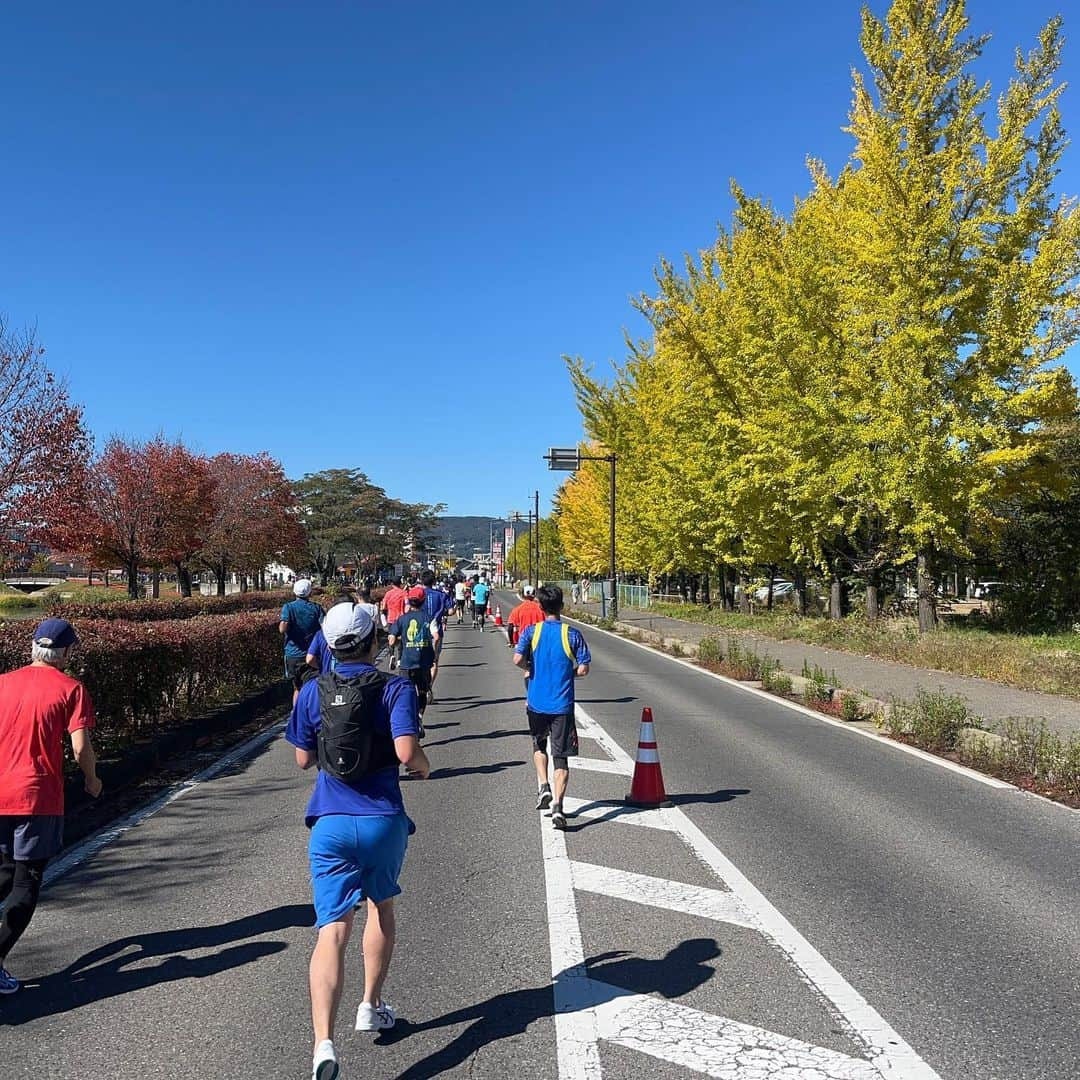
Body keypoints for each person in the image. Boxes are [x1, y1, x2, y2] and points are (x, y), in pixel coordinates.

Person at [286, 604, 430, 1080]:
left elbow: (304, 759)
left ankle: (322, 1043)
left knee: (332, 930)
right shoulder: (395, 687)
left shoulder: (311, 691)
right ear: (374, 641)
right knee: (380, 907)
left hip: (329, 818)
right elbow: (408, 753)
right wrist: (423, 767)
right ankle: (370, 1004)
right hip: (382, 818)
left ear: (328, 646)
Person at [0, 619, 102, 994]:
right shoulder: (71, 689)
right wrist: (92, 779)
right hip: (36, 796)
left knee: (5, 870)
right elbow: (80, 747)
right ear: (67, 653)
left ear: (33, 647)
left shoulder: (2, 682)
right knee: (27, 881)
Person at [513, 584, 590, 830]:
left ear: (540, 606)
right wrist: (569, 674)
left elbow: (516, 659)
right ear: (562, 606)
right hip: (562, 704)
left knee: (538, 745)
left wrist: (530, 669)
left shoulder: (532, 633)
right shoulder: (572, 634)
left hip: (536, 702)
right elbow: (584, 668)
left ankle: (543, 785)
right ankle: (558, 805)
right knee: (562, 758)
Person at [387, 587, 440, 736]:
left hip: (406, 661)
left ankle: (409, 719)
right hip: (425, 661)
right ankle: (420, 716)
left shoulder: (402, 619)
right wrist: (434, 654)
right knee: (423, 691)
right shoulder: (429, 618)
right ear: (423, 601)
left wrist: (398, 641)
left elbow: (391, 640)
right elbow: (436, 637)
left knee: (405, 691)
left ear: (409, 601)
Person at [280, 579, 324, 703]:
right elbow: (325, 627)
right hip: (313, 654)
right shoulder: (317, 608)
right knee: (313, 686)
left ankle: (296, 714)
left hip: (293, 654)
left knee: (297, 688)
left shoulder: (288, 607)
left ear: (294, 592)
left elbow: (282, 628)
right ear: (310, 593)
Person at [507, 584, 544, 649]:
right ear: (534, 594)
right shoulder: (542, 609)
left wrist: (511, 642)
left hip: (524, 640)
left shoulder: (517, 610)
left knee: (521, 658)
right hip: (539, 640)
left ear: (523, 595)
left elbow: (510, 627)